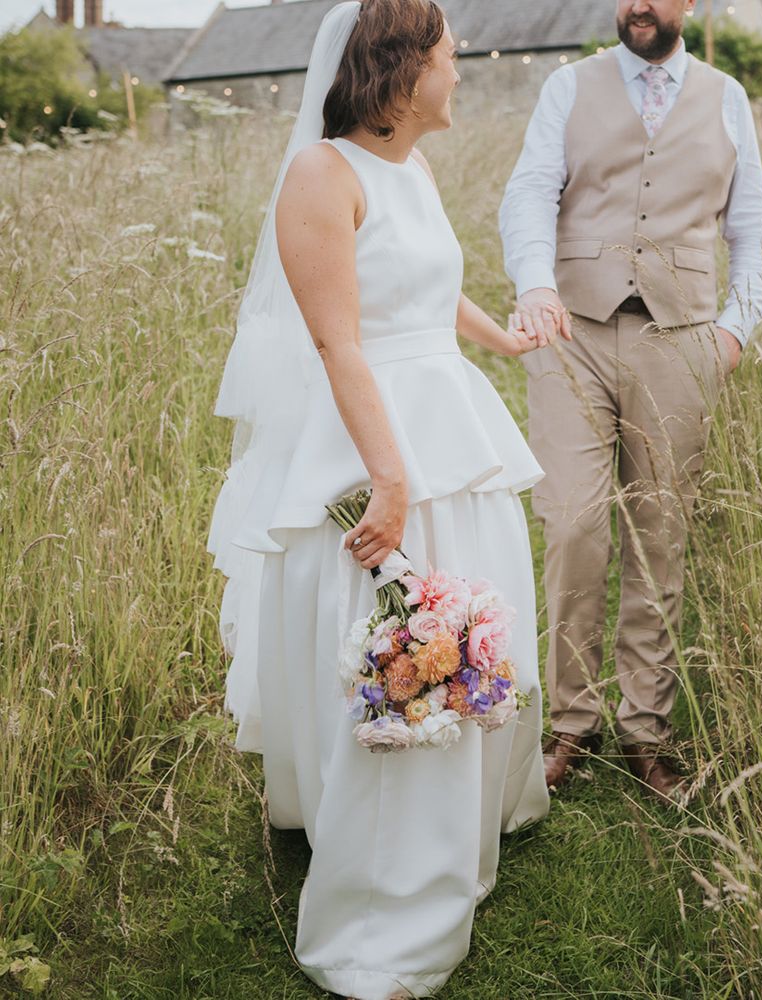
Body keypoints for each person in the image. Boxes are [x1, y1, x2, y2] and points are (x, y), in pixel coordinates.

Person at [205, 2, 550, 997]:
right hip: (373, 434)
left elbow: (427, 283)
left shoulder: (414, 168)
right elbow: (338, 336)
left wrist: (502, 338)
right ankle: (388, 885)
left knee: (470, 618)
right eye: (449, 56)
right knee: (397, 630)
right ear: (401, 68)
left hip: (449, 418)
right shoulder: (322, 173)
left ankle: (467, 806)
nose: (461, 71)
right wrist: (389, 479)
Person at [500, 0, 762, 802]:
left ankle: (647, 732)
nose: (638, 5)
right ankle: (570, 722)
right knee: (574, 524)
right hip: (572, 332)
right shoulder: (568, 85)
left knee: (660, 533)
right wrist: (536, 285)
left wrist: (732, 332)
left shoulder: (727, 97)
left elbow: (754, 227)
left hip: (681, 339)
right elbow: (529, 193)